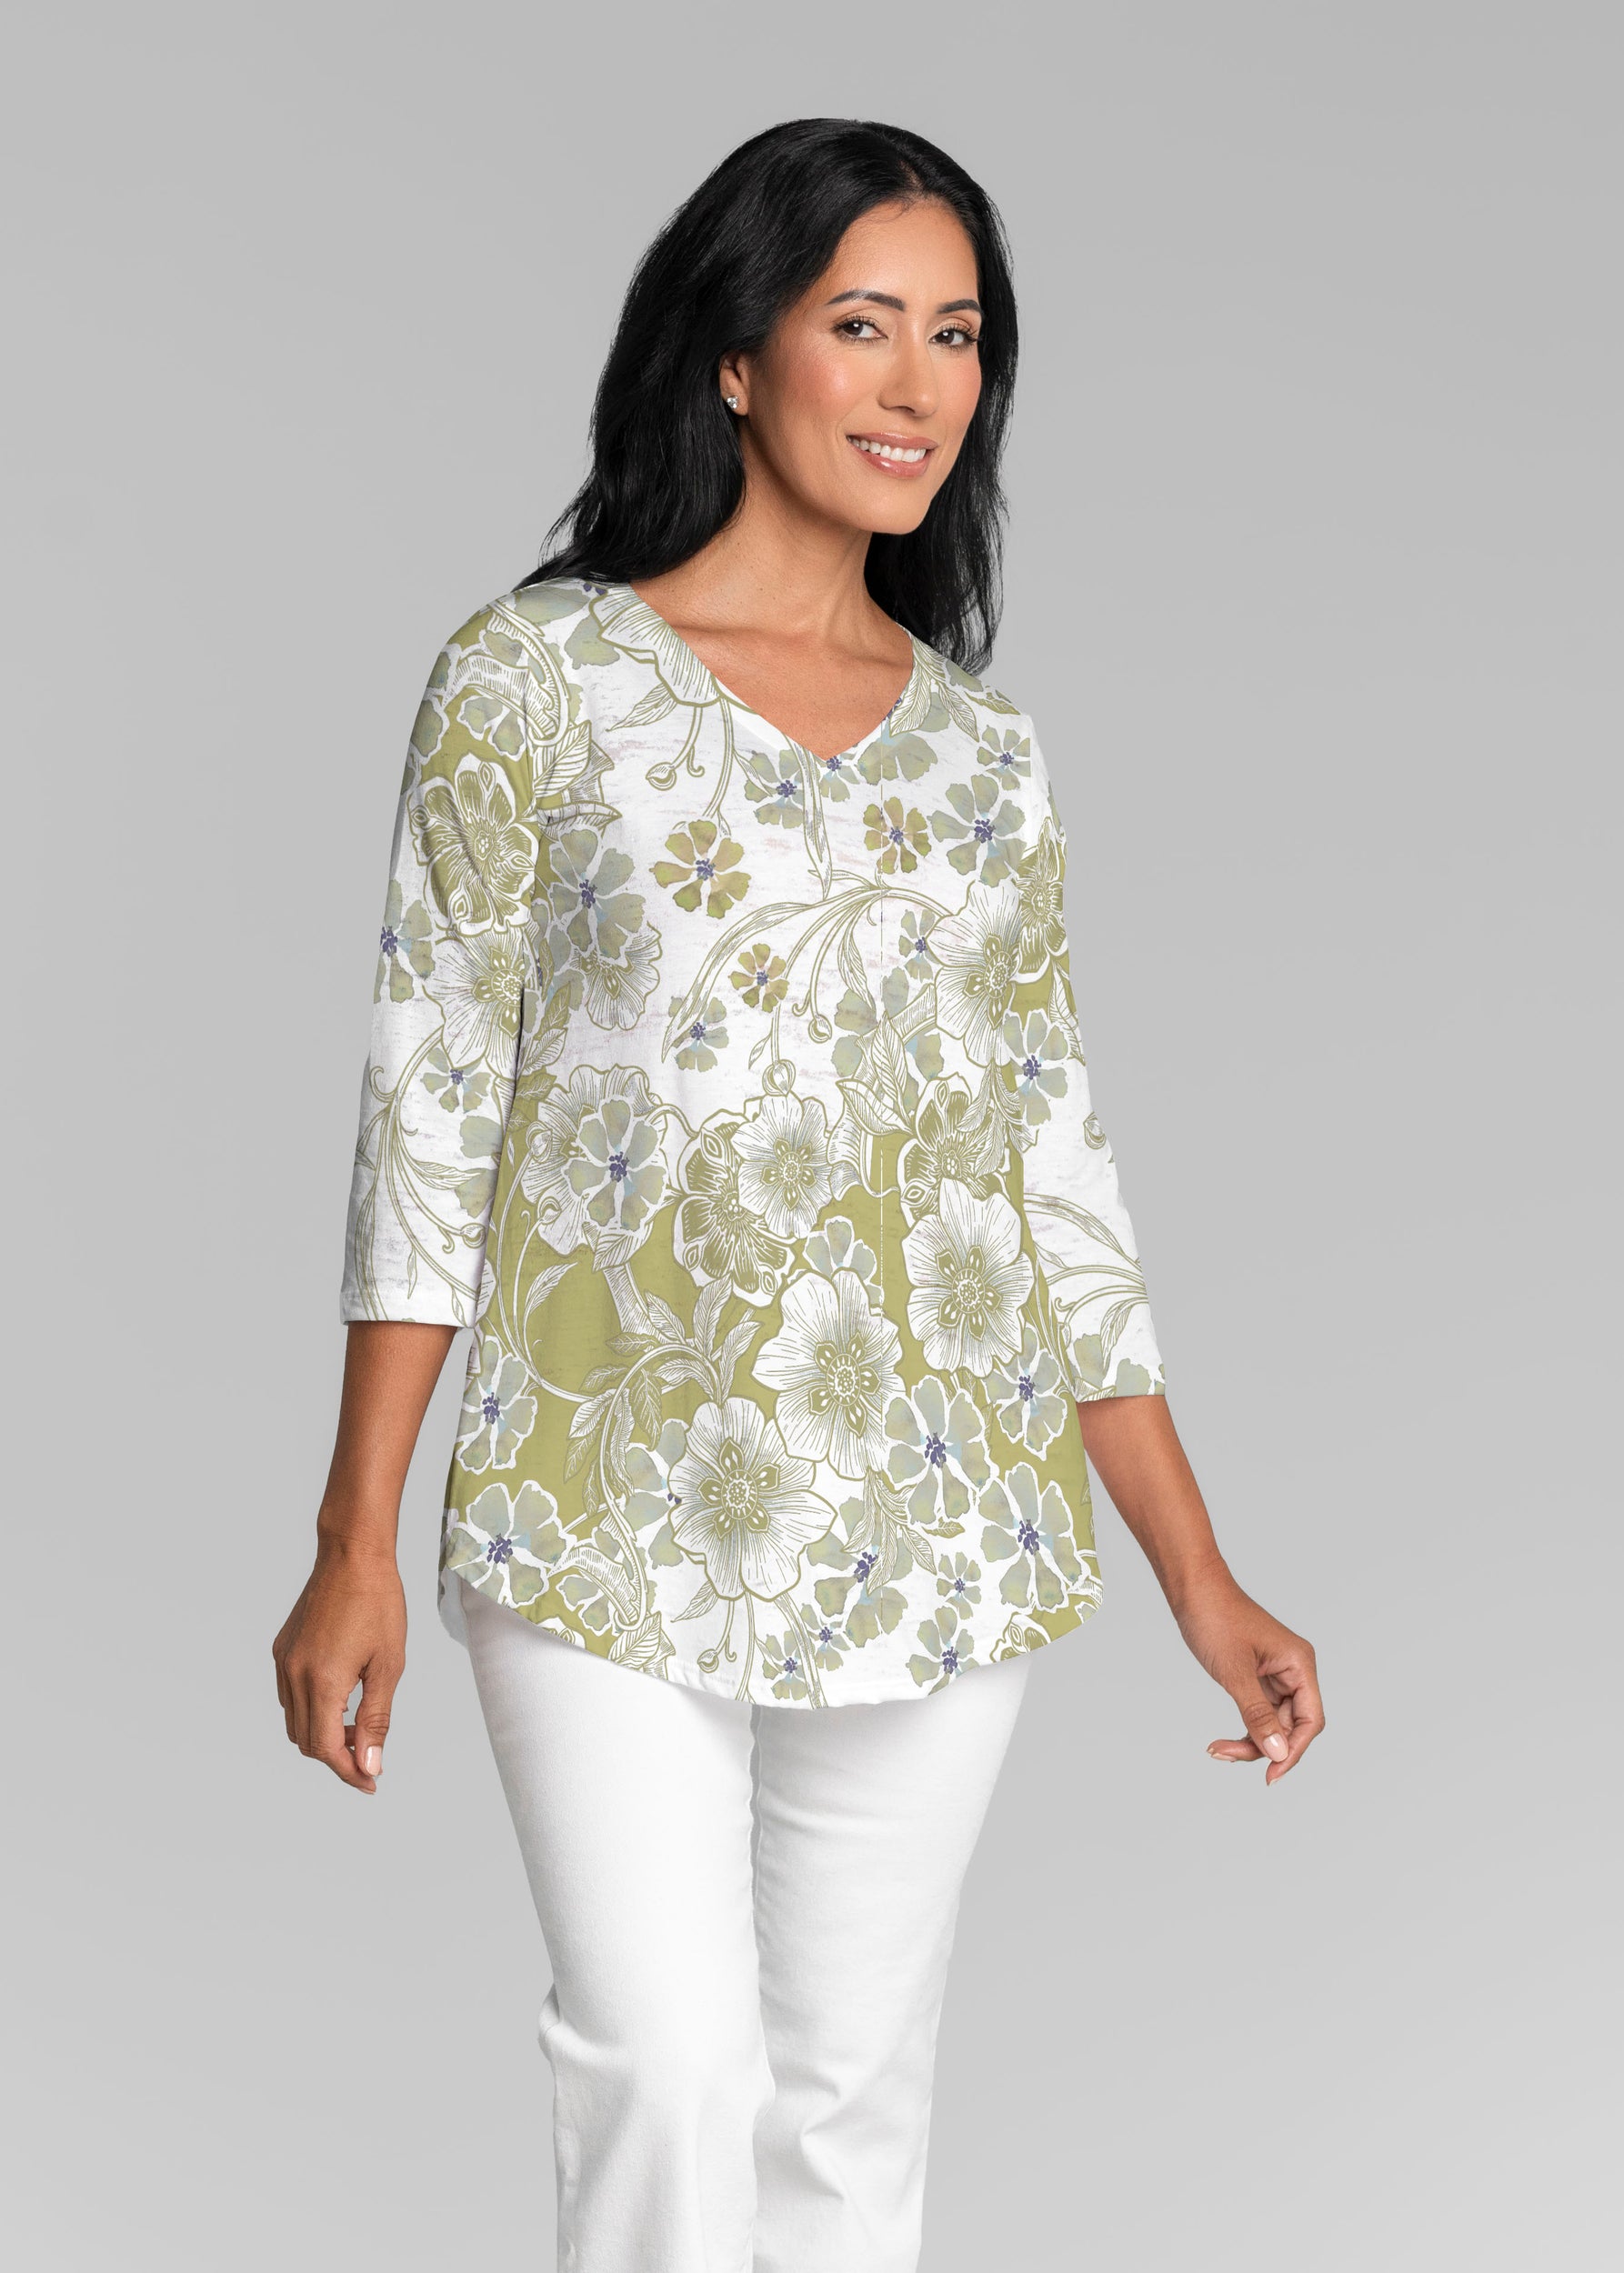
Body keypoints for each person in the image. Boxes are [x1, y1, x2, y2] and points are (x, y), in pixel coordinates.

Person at [274, 115, 1325, 2273]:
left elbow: (1047, 1164)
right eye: (863, 324)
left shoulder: (981, 758)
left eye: (958, 334)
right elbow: (431, 1103)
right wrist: (349, 1533)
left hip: (936, 1503)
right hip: (596, 1486)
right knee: (666, 2066)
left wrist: (1197, 1567)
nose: (919, 382)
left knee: (848, 2113)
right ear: (734, 356)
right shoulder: (532, 682)